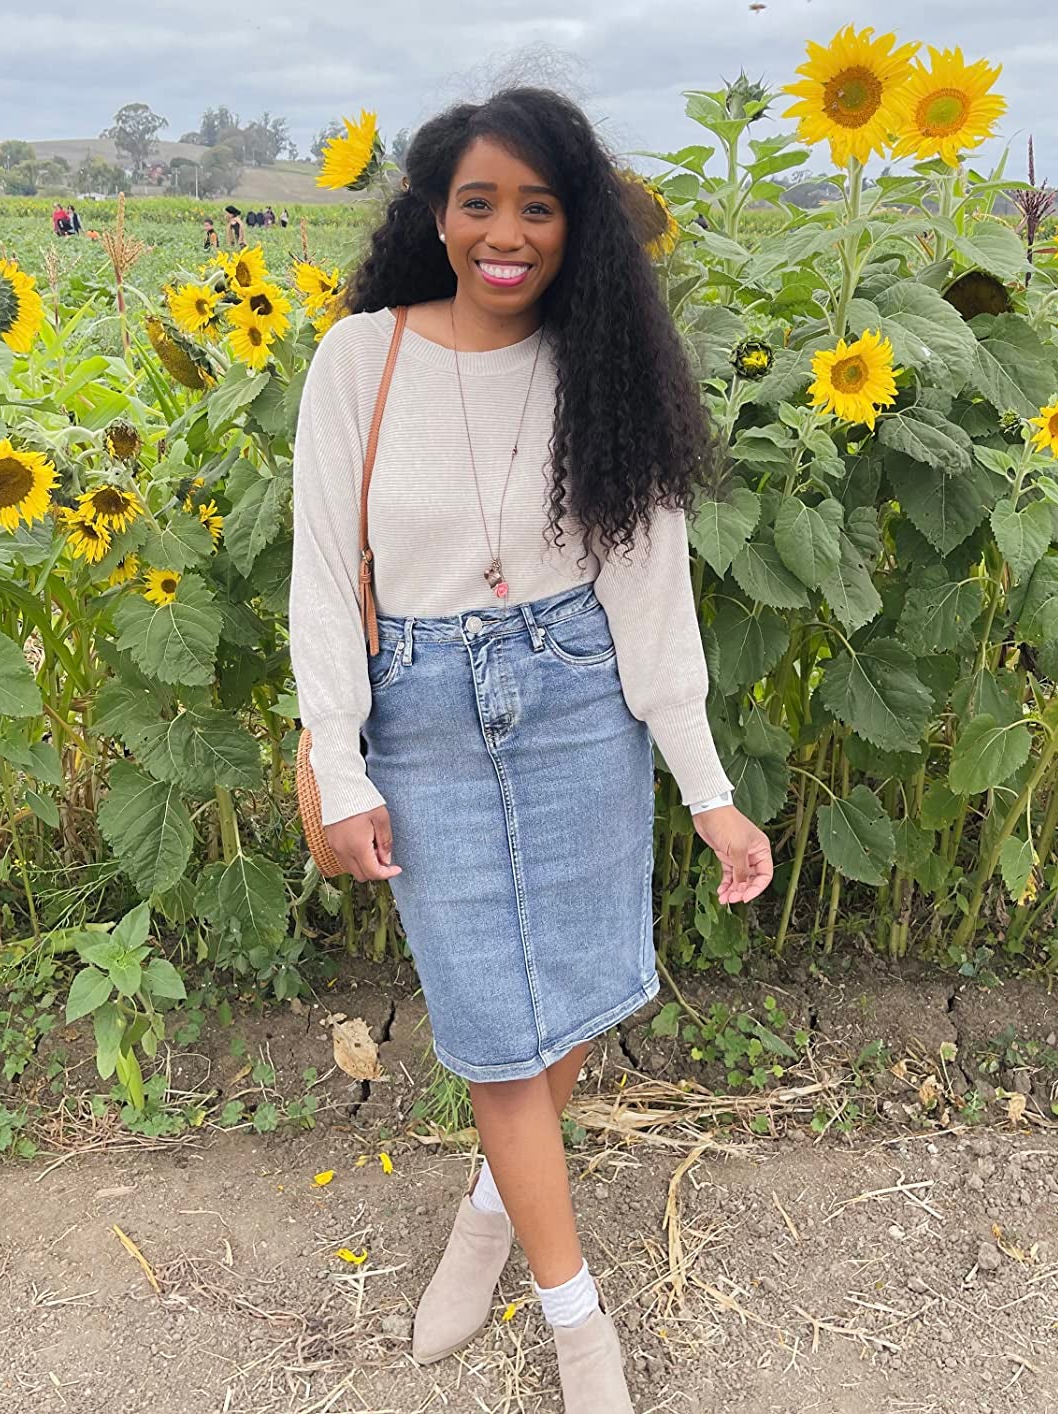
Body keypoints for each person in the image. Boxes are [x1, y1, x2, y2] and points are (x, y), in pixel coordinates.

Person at [288, 86, 773, 1412]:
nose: (506, 231)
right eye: (478, 201)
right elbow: (324, 580)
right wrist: (337, 759)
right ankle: (577, 1322)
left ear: (577, 227)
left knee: (568, 998)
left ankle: (494, 1206)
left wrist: (710, 795)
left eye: (539, 206)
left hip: (576, 704)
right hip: (424, 710)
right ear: (434, 215)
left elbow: (650, 597)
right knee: (497, 1034)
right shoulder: (362, 360)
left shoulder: (601, 366)